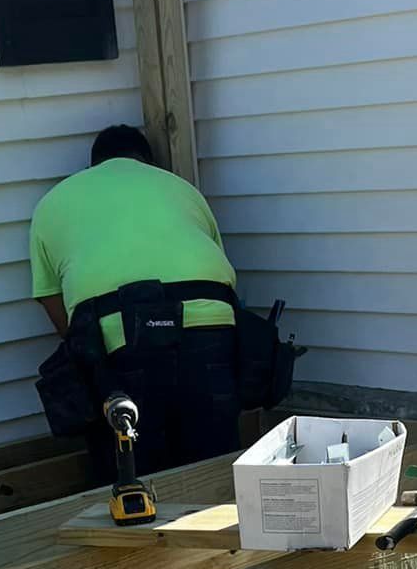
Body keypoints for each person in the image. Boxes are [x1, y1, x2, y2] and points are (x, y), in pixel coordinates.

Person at [30, 124, 275, 478]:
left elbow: (51, 301)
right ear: (147, 162)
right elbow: (220, 279)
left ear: (92, 166)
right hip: (211, 332)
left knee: (132, 469)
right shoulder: (183, 189)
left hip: (120, 341)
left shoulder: (54, 201)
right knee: (213, 464)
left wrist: (91, 357)